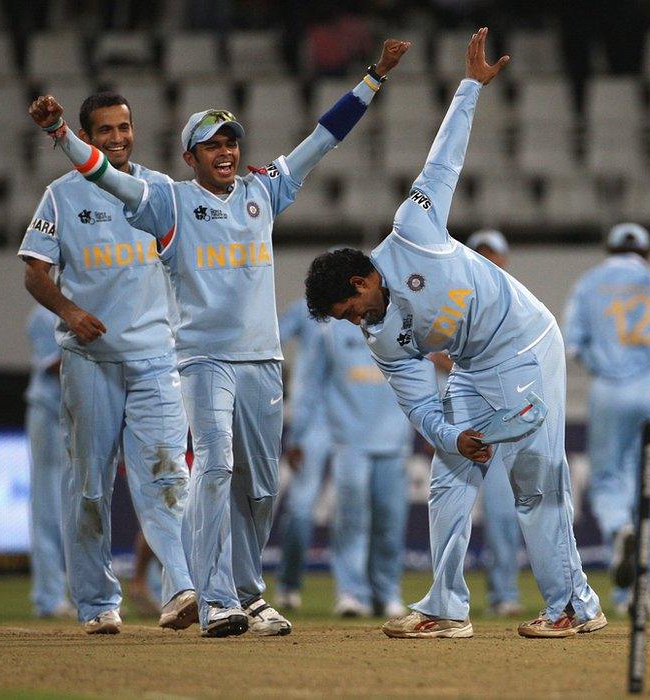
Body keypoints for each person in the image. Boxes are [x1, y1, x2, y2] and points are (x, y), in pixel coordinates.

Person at [28, 39, 410, 637]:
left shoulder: (265, 190)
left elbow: (324, 138)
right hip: (203, 360)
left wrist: (375, 78)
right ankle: (214, 601)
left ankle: (248, 594)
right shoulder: (167, 202)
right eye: (212, 144)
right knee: (213, 467)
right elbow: (104, 174)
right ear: (190, 156)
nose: (226, 151)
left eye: (231, 141)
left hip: (263, 360)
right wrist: (60, 135)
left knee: (259, 488)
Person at [304, 28, 605, 639]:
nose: (355, 321)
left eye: (351, 307)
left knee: (533, 480)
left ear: (366, 276)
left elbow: (444, 160)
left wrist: (469, 86)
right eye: (344, 320)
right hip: (472, 364)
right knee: (448, 471)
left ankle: (576, 606)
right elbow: (418, 404)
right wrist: (453, 435)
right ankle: (445, 610)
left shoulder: (413, 229)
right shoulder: (379, 339)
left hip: (523, 341)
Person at [18, 92, 195, 635]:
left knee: (168, 477)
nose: (117, 138)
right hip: (89, 361)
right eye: (105, 130)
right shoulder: (61, 195)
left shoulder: (160, 190)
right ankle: (97, 603)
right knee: (90, 485)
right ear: (88, 137)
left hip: (155, 360)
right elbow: (35, 272)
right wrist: (70, 311)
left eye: (125, 127)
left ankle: (182, 589)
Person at [563, 222, 650, 617]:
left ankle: (619, 532)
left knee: (608, 479)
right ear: (648, 252)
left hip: (609, 388)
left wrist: (600, 364)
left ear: (609, 248)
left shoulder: (588, 284)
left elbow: (572, 343)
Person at [430, 228, 523, 617]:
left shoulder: (515, 302)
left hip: (502, 424)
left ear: (504, 260)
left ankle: (504, 594)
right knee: (452, 509)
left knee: (502, 515)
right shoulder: (449, 301)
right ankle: (447, 600)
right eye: (480, 253)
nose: (486, 260)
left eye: (493, 254)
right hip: (461, 423)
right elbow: (431, 356)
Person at [298, 315, 413, 618]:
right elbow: (311, 383)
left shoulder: (404, 321)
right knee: (351, 521)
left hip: (395, 439)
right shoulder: (330, 330)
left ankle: (387, 593)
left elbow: (420, 374)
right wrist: (298, 433)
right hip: (349, 440)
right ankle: (351, 593)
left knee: (390, 521)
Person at [275, 299, 334, 611]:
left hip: (358, 422)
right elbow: (273, 340)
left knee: (363, 509)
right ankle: (288, 584)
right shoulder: (309, 307)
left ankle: (364, 593)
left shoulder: (375, 309)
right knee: (300, 507)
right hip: (313, 423)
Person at [24, 305, 72, 619]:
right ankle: (48, 597)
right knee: (47, 508)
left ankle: (85, 593)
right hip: (48, 413)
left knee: (72, 507)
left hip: (74, 415)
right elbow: (55, 365)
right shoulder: (43, 314)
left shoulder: (87, 303)